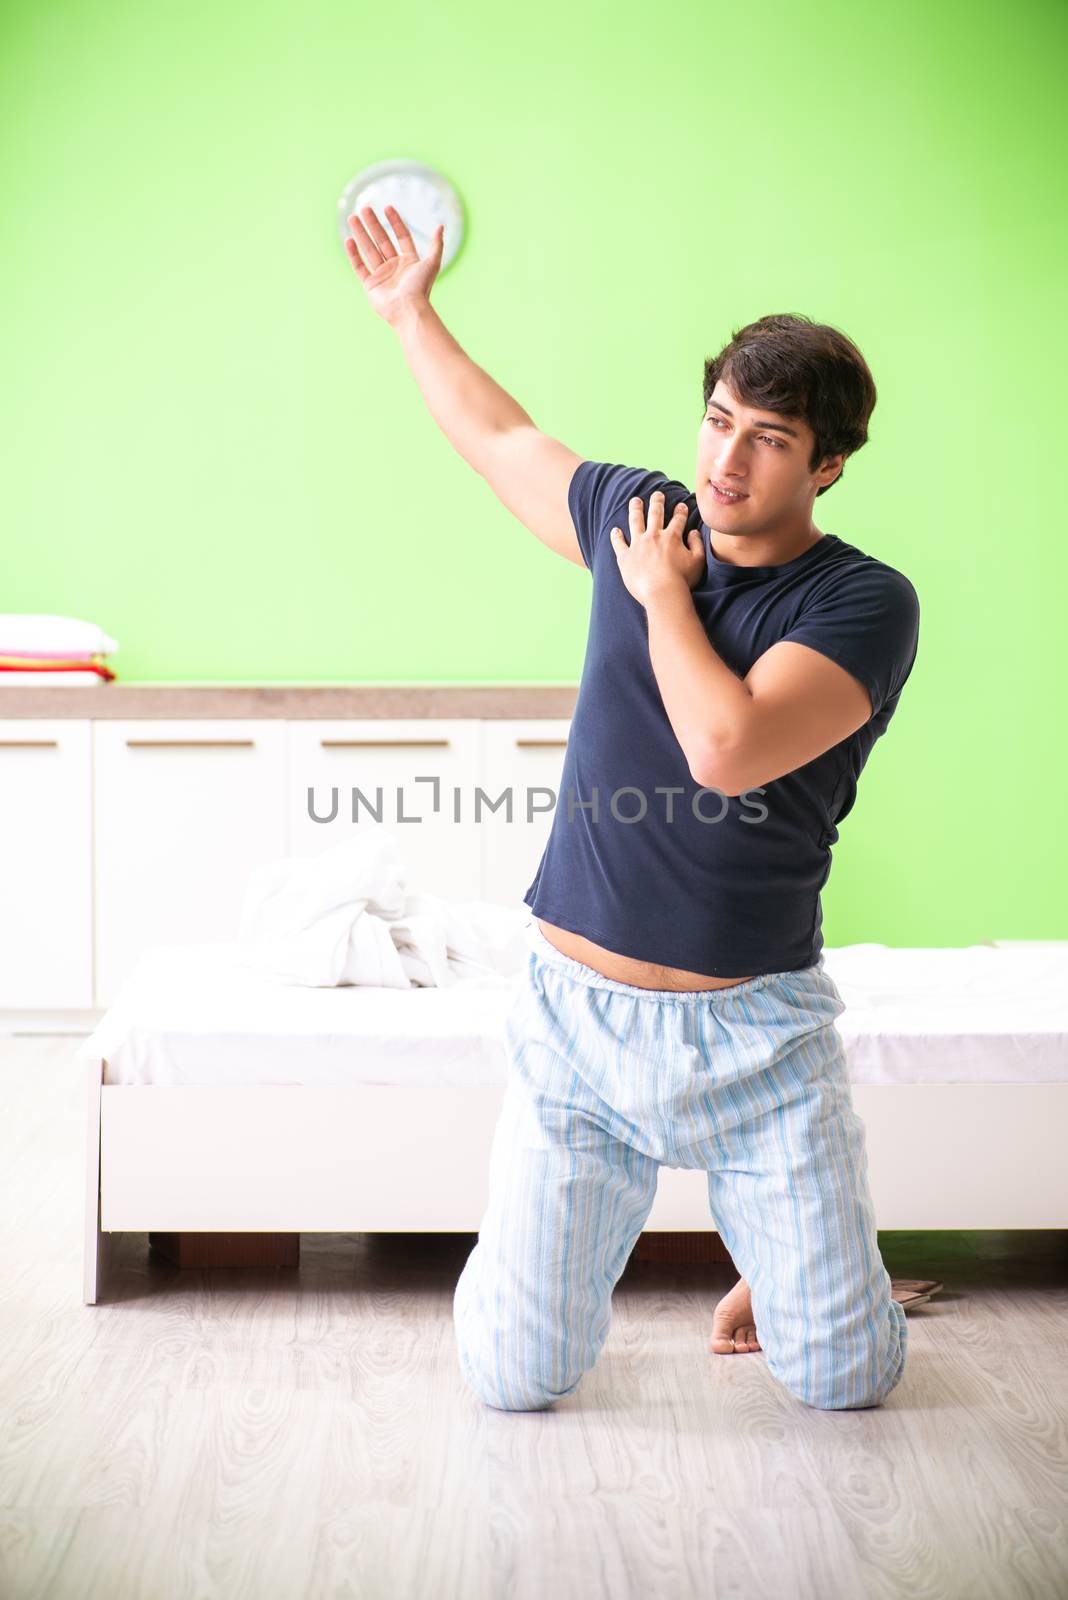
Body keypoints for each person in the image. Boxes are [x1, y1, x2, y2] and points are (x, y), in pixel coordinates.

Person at [346, 205, 937, 1411]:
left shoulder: (864, 604)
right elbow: (502, 437)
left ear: (826, 465)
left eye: (769, 439)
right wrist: (410, 314)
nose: (725, 462)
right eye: (719, 420)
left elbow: (727, 746)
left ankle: (805, 1282)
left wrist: (663, 594)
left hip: (759, 1042)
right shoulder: (640, 512)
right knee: (513, 1381)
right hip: (575, 1031)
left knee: (844, 1382)